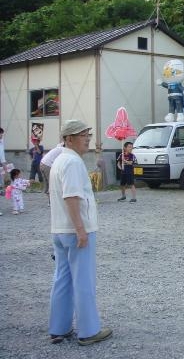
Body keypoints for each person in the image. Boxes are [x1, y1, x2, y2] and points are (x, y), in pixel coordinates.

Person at [48, 119, 112, 346]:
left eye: (87, 134)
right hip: (75, 230)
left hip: (60, 229)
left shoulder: (59, 160)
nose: (87, 139)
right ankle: (88, 330)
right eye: (82, 135)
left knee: (62, 278)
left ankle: (59, 327)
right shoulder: (73, 162)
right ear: (68, 139)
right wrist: (80, 230)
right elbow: (71, 197)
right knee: (83, 280)